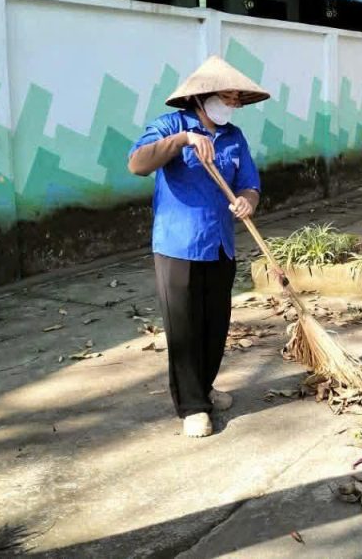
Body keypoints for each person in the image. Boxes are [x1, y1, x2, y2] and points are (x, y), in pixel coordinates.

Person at [127, 55, 269, 438]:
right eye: (228, 96)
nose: (233, 104)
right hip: (178, 245)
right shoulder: (169, 125)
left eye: (238, 99)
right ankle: (191, 406)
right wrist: (184, 140)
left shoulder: (234, 137)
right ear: (202, 96)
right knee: (184, 328)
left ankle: (204, 388)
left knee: (215, 324)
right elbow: (138, 165)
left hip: (220, 244)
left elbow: (250, 183)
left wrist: (247, 202)